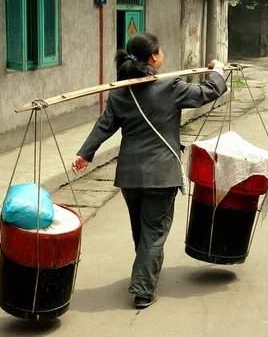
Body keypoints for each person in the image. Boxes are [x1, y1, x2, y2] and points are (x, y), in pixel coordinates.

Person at [71, 32, 227, 308]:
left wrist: (85, 154)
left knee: (142, 231)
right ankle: (143, 289)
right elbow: (207, 92)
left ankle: (146, 271)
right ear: (154, 56)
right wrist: (219, 72)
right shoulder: (170, 86)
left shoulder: (120, 92)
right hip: (160, 174)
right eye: (160, 50)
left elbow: (104, 125)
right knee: (154, 232)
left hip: (130, 176)